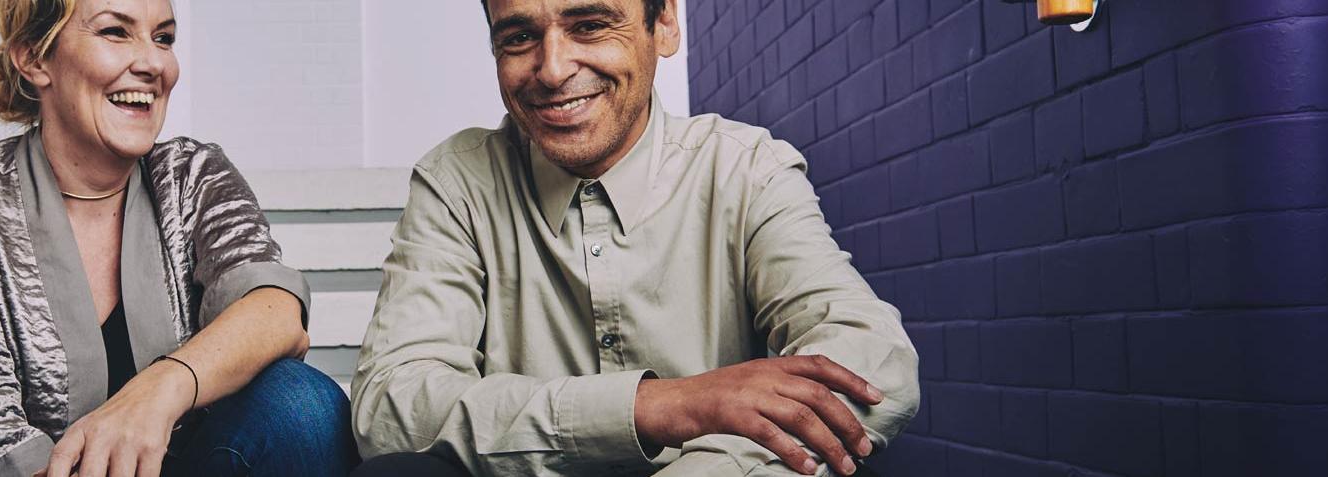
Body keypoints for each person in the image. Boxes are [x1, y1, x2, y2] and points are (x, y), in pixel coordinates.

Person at [350, 0, 920, 475]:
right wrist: (653, 406)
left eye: (590, 25)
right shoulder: (458, 182)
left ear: (664, 23)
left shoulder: (746, 168)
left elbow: (872, 360)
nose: (551, 69)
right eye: (520, 36)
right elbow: (392, 406)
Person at [0, 1, 356, 476]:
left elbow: (274, 312)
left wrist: (157, 392)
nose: (154, 63)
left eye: (164, 38)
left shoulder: (191, 175)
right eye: (115, 32)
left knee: (303, 405)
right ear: (34, 58)